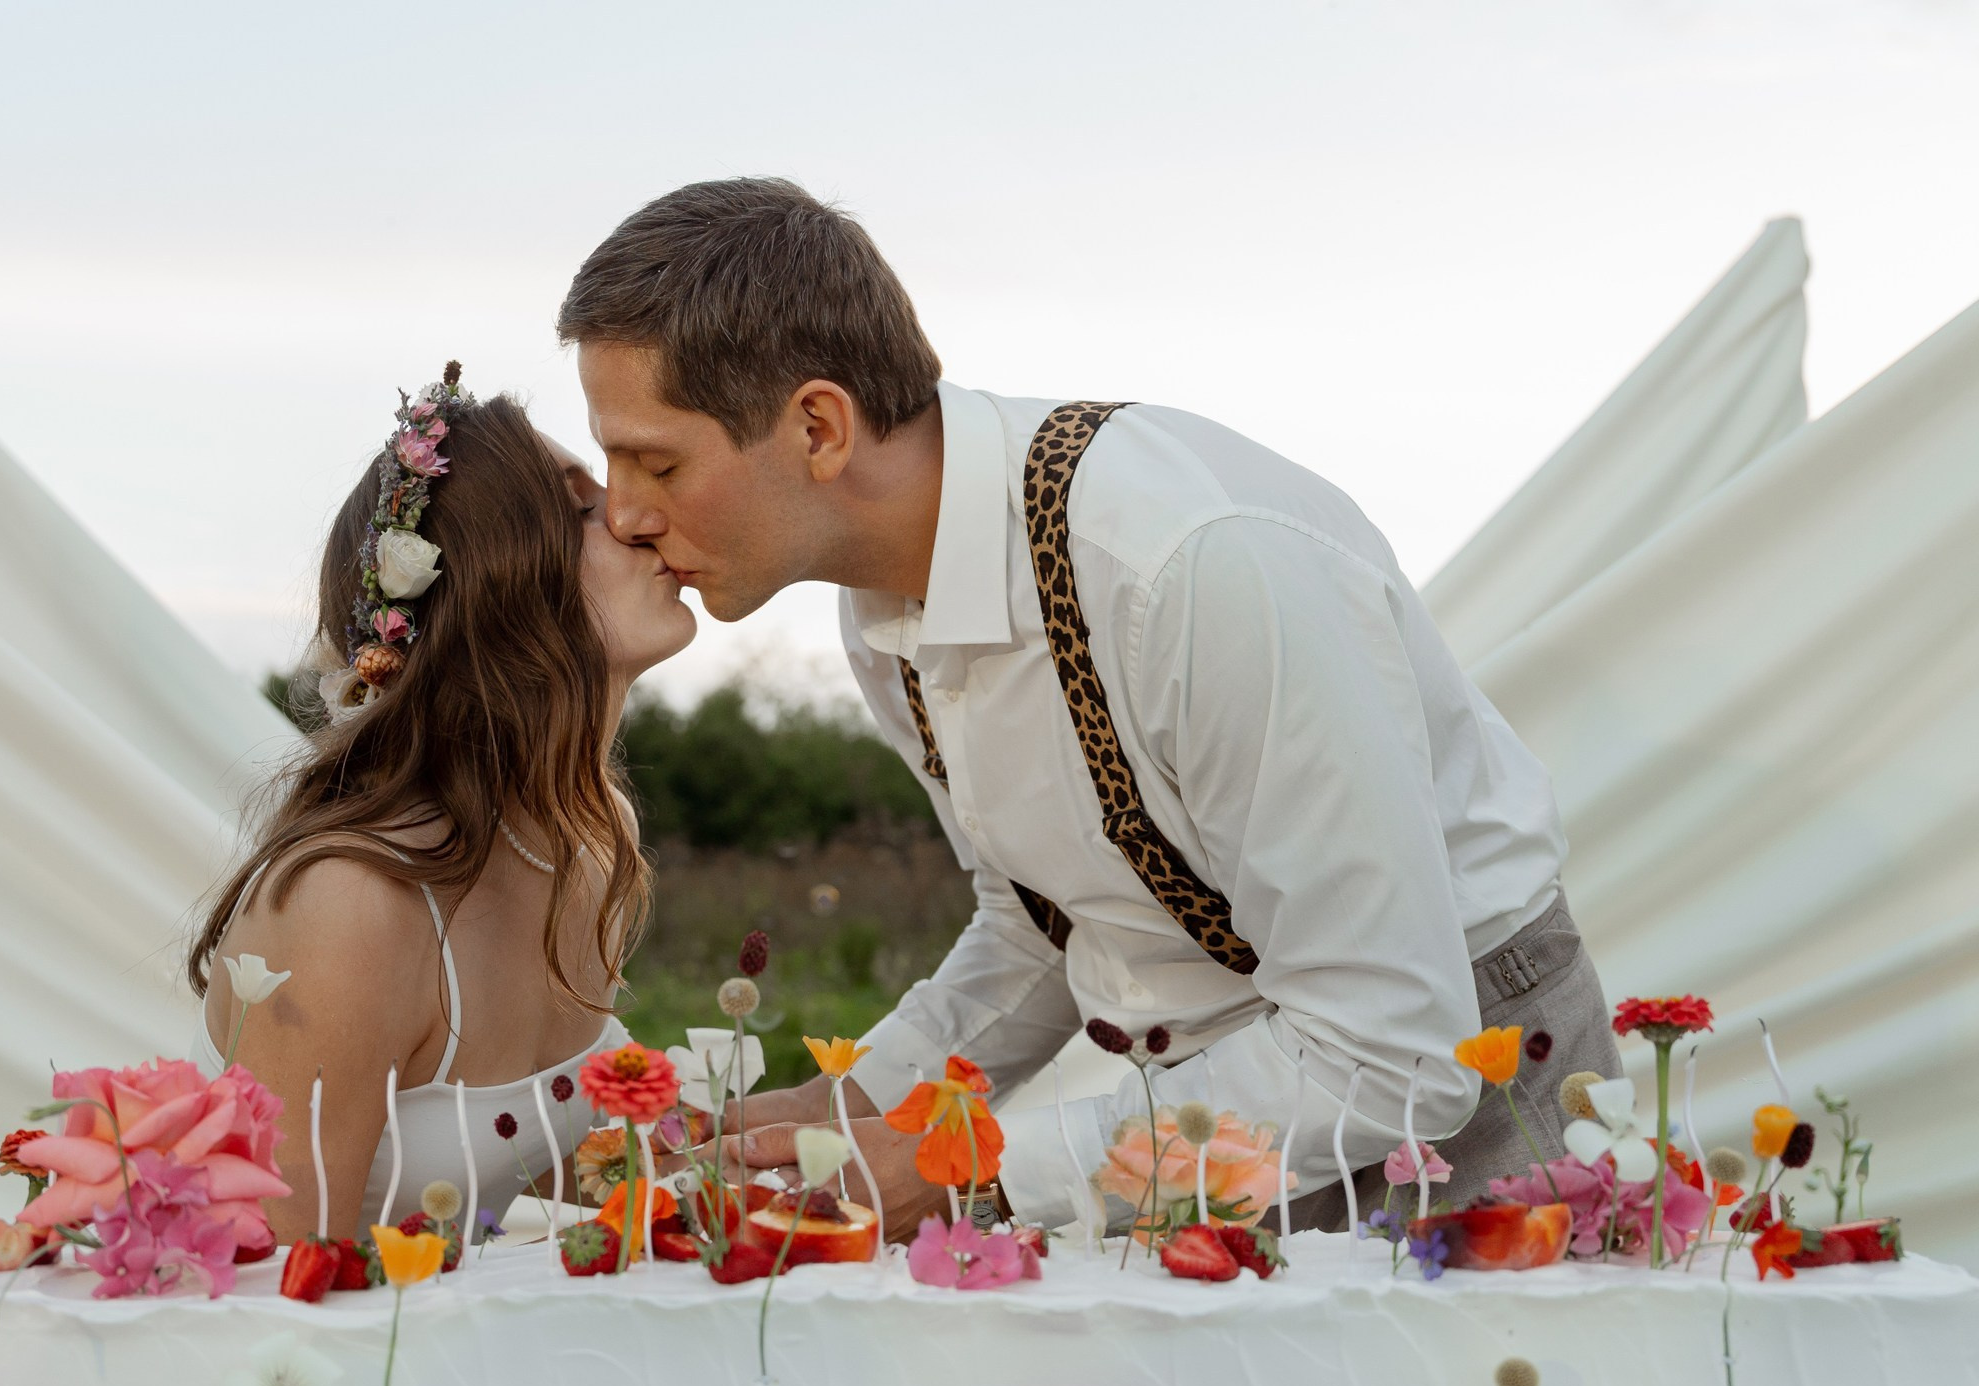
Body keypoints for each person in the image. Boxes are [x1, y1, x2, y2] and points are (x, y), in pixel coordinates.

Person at [556, 179, 1623, 1240]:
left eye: (656, 461)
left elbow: (1395, 1049)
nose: (626, 514)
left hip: (1470, 1095)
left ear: (819, 428)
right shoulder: (882, 612)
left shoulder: (1187, 567)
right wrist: (865, 1102)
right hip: (1210, 1098)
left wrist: (973, 1163)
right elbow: (1042, 923)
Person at [187, 368, 696, 1242]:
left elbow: (525, 1149)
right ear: (497, 587)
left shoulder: (593, 836)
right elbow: (274, 1292)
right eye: (583, 509)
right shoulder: (353, 905)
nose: (636, 517)